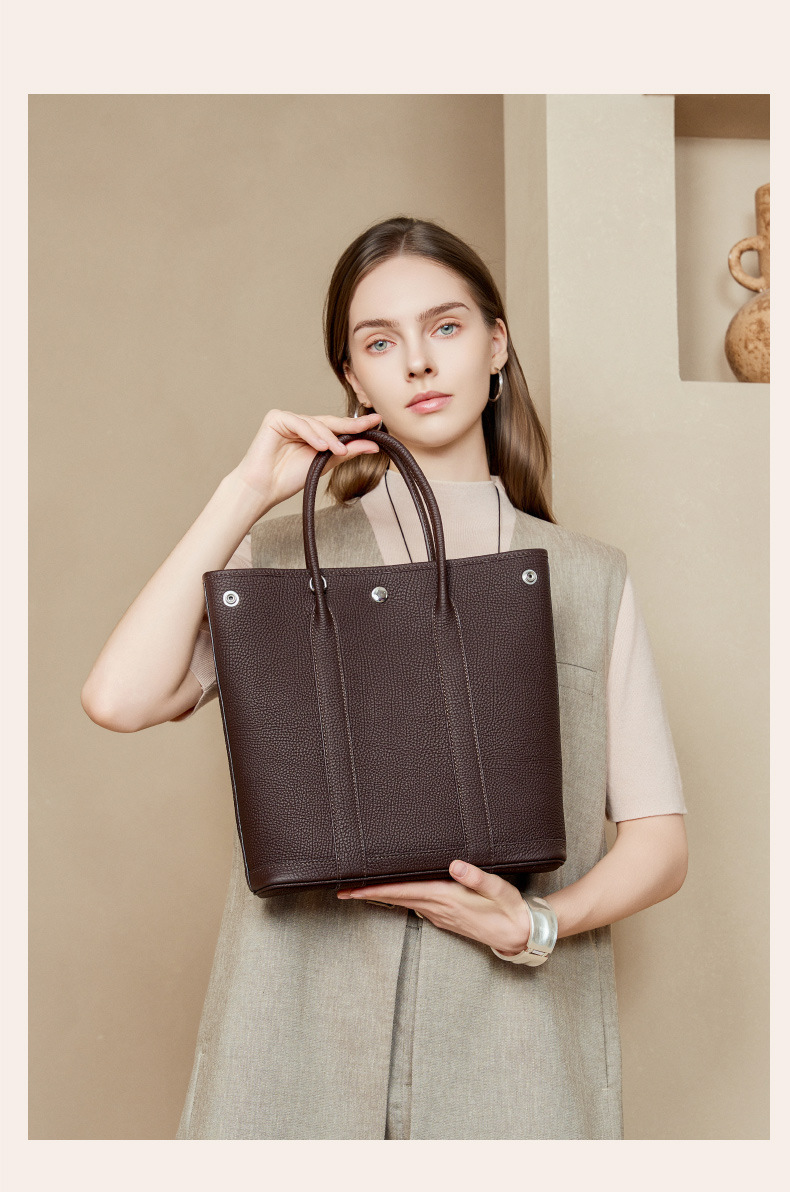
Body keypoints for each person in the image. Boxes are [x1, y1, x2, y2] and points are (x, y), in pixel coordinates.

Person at [81, 215, 688, 1140]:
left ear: (497, 344)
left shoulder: (586, 577)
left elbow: (659, 840)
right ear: (353, 380)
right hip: (291, 1046)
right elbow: (119, 698)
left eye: (445, 326)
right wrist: (245, 492)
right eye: (379, 342)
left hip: (515, 1057)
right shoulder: (279, 558)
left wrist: (535, 926)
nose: (418, 362)